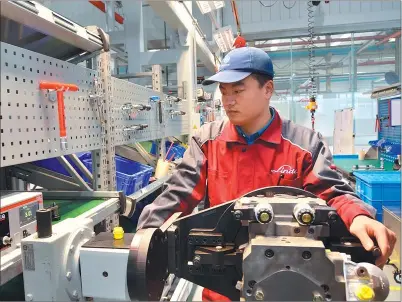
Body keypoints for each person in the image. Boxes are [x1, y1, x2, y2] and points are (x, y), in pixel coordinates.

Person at [137, 47, 396, 301]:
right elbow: (177, 195)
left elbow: (332, 192)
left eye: (237, 90)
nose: (228, 101)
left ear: (267, 90)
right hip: (224, 287)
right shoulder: (207, 142)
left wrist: (359, 216)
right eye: (224, 91)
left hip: (293, 284)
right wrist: (145, 239)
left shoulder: (303, 145)